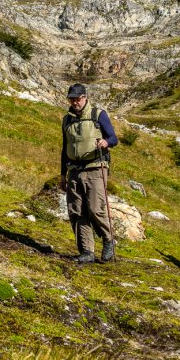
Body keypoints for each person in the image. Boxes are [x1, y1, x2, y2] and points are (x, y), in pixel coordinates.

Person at [60, 83, 118, 264]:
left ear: (85, 97)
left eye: (78, 98)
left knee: (95, 209)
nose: (75, 102)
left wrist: (106, 143)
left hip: (95, 167)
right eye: (72, 99)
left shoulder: (97, 115)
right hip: (74, 170)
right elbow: (64, 148)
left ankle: (108, 240)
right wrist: (62, 174)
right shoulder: (67, 120)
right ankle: (87, 251)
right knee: (76, 211)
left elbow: (113, 138)